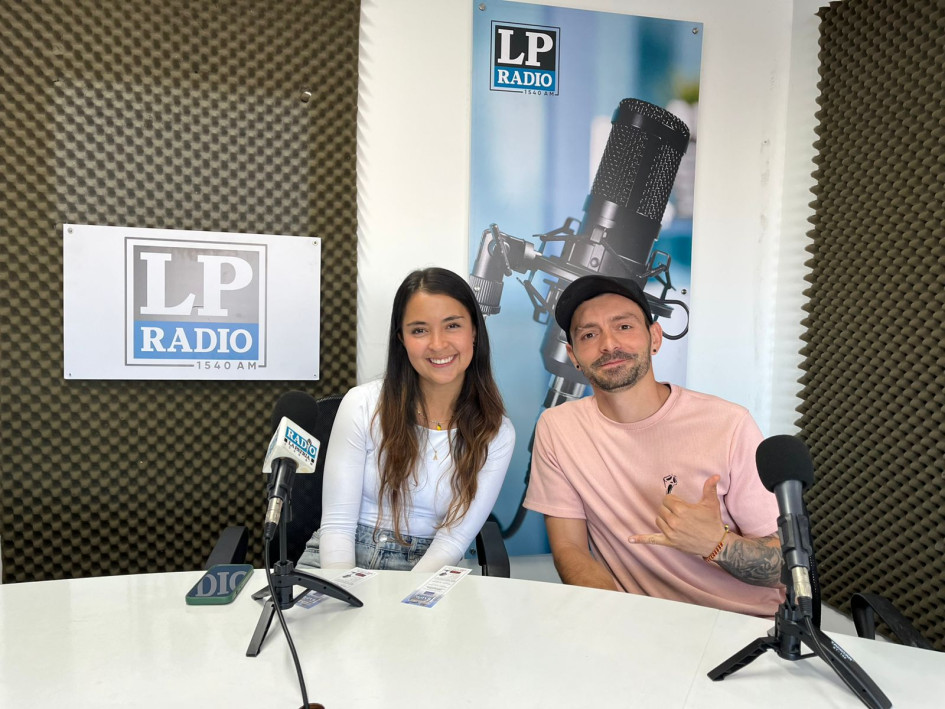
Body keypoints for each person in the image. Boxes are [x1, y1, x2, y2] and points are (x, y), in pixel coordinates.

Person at [523, 275, 784, 617]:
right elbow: (571, 550)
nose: (608, 344)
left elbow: (785, 566)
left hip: (741, 627)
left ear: (655, 338)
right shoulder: (558, 428)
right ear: (573, 355)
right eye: (589, 334)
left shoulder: (729, 424)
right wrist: (621, 620)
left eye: (625, 327)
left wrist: (717, 545)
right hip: (635, 625)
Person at [298, 267, 515, 573]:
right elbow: (337, 525)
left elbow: (453, 542)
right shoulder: (362, 404)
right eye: (419, 330)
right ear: (402, 339)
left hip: (431, 566)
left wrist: (404, 606)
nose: (438, 344)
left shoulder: (496, 432)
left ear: (475, 331)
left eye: (452, 325)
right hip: (338, 556)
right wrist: (343, 595)